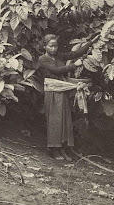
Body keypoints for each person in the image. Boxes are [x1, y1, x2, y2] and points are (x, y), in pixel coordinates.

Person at [38, 33, 99, 161]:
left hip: (62, 90)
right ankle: (53, 149)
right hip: (52, 92)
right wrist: (74, 65)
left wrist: (90, 42)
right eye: (51, 46)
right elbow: (57, 70)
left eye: (56, 46)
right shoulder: (42, 59)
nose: (54, 49)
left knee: (65, 120)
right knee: (55, 121)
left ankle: (62, 148)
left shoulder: (59, 56)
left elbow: (74, 54)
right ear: (45, 46)